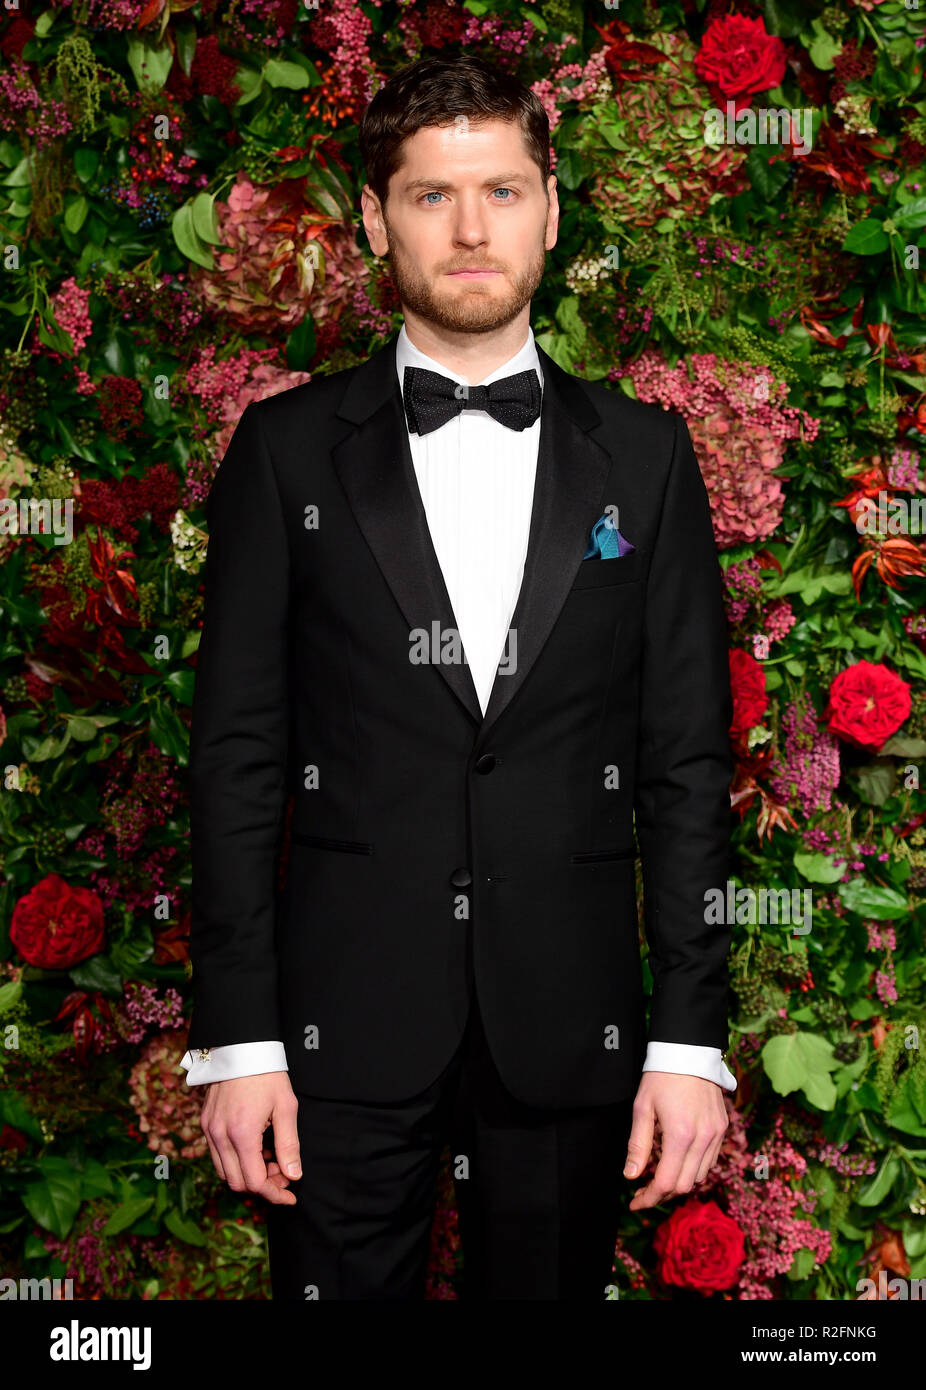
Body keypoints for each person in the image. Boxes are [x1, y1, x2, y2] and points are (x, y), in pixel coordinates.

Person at [180, 52, 737, 1301]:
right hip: (336, 1031)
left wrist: (689, 1036)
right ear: (377, 219)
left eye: (500, 189)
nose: (471, 228)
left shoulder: (644, 458)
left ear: (550, 203)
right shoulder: (281, 453)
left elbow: (687, 764)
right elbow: (235, 758)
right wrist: (241, 1036)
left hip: (571, 1020)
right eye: (432, 196)